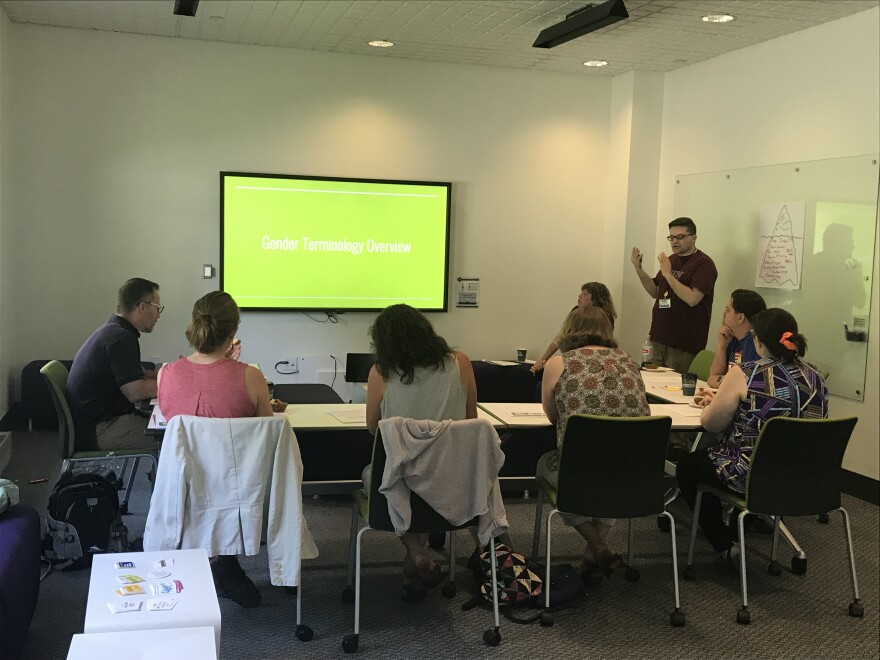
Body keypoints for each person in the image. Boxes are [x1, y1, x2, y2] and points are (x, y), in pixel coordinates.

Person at [676, 308, 828, 567]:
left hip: (753, 476)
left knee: (689, 467)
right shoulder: (816, 376)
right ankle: (738, 527)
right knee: (755, 455)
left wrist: (716, 403)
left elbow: (711, 424)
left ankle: (725, 545)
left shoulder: (746, 373)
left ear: (758, 340)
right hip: (804, 475)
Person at [157, 290, 271, 608]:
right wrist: (230, 367)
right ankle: (222, 559)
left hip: (183, 486)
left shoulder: (166, 374)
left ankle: (213, 561)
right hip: (237, 486)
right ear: (233, 332)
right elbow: (266, 433)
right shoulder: (251, 376)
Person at [365, 304, 478, 599]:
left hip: (402, 478)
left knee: (381, 475)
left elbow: (374, 429)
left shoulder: (381, 372)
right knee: (423, 483)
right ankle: (411, 575)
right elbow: (470, 421)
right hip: (450, 478)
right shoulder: (461, 362)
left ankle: (417, 555)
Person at [536, 306, 650, 582]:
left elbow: (553, 416)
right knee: (609, 475)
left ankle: (598, 548)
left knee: (546, 468)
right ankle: (596, 552)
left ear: (570, 329)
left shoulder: (559, 364)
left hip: (579, 473)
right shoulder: (629, 361)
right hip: (631, 474)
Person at [67, 278, 163, 453]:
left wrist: (169, 373)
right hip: (101, 430)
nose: (158, 315)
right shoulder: (121, 338)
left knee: (169, 426)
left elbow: (135, 374)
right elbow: (136, 392)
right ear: (142, 306)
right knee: (177, 438)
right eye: (157, 308)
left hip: (94, 423)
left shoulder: (113, 330)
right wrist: (177, 385)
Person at [631, 217, 717, 374]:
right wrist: (639, 270)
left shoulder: (704, 264)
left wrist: (668, 275)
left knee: (674, 387)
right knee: (649, 383)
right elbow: (655, 292)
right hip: (658, 338)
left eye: (680, 237)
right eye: (671, 237)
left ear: (694, 237)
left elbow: (693, 299)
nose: (674, 241)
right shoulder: (671, 260)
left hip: (683, 345)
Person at [531, 282, 617, 372]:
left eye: (584, 294)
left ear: (595, 299)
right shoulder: (576, 312)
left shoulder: (606, 317)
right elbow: (561, 337)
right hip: (572, 358)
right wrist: (543, 360)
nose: (579, 296)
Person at [706, 289, 766, 388]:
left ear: (740, 318)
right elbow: (713, 375)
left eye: (728, 310)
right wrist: (722, 346)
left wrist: (720, 381)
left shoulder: (756, 345)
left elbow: (746, 385)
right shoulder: (731, 338)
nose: (724, 314)